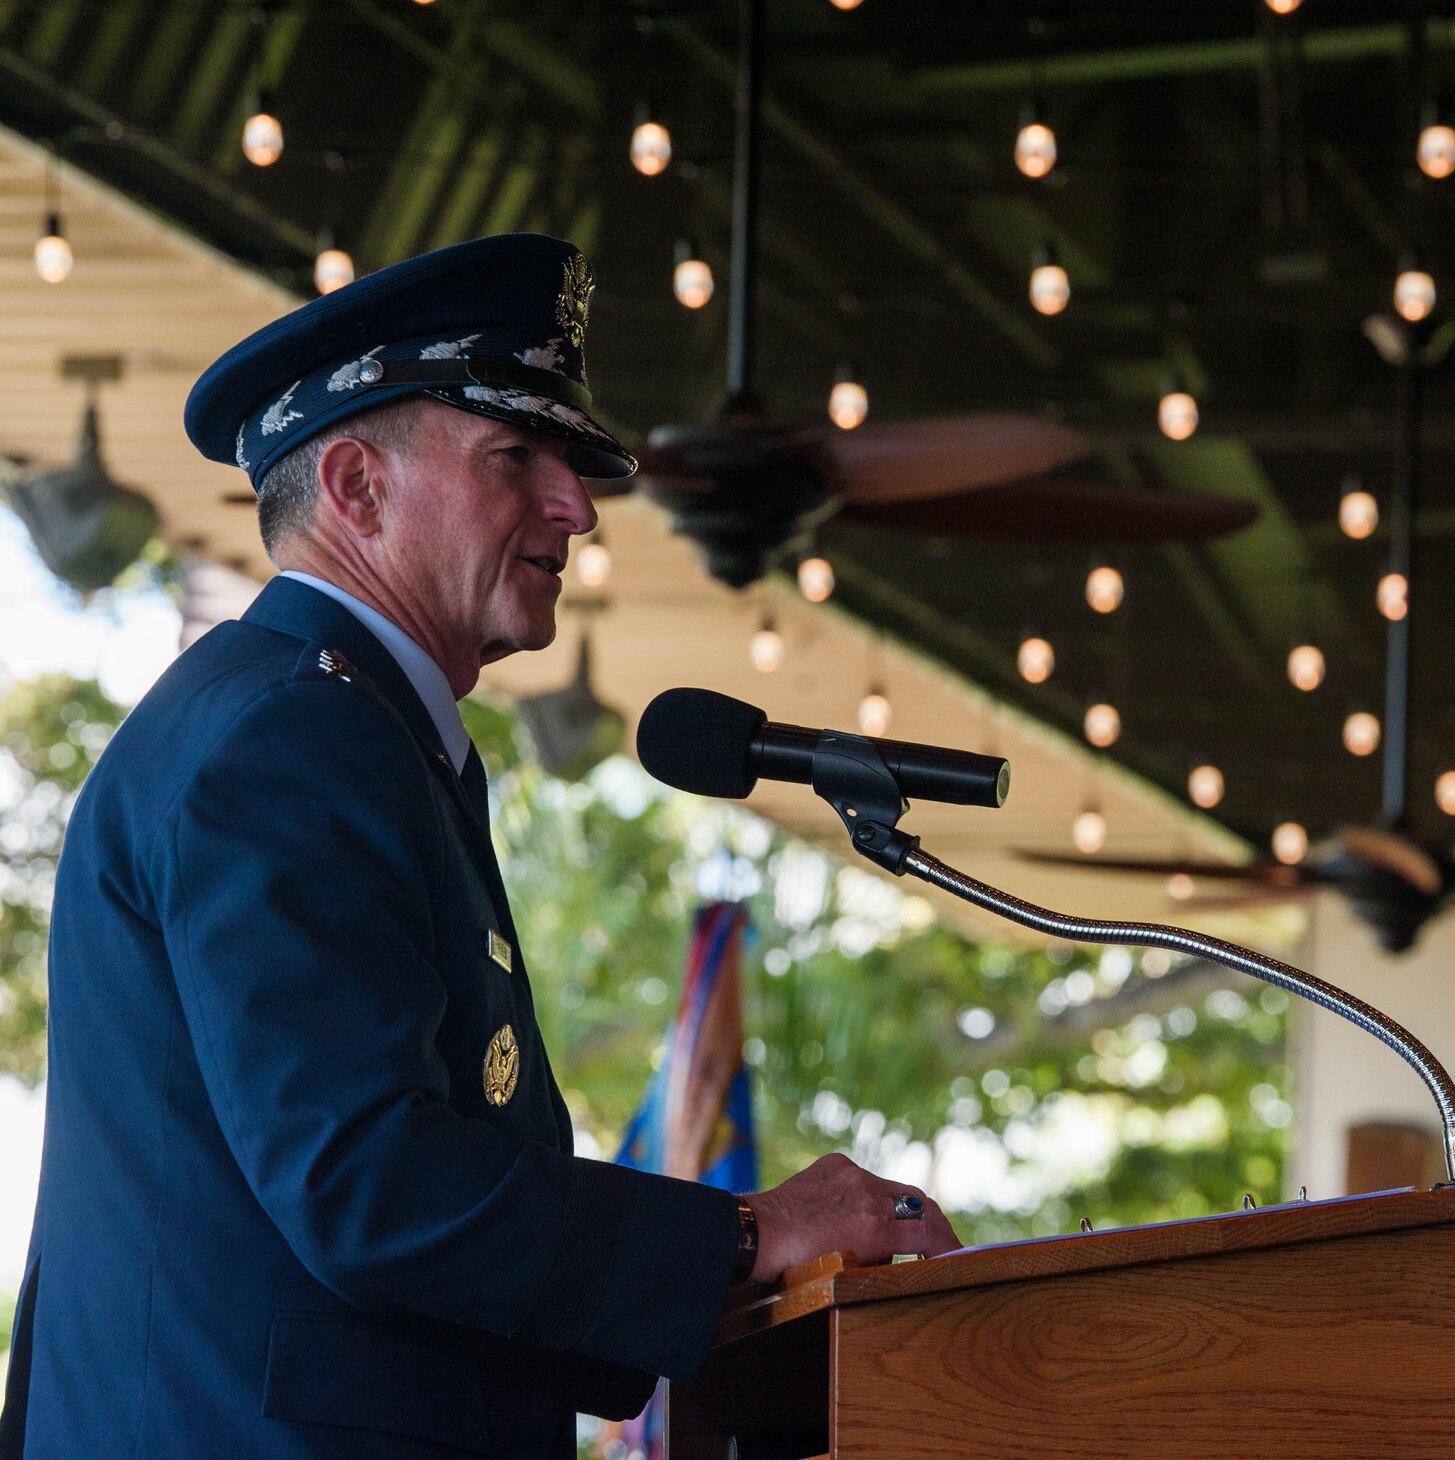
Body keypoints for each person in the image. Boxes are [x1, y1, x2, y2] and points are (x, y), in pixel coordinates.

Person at [0, 233, 958, 1460]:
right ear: (355, 487)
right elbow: (369, 1181)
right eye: (517, 455)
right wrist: (737, 1233)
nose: (576, 505)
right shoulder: (294, 733)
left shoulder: (328, 720)